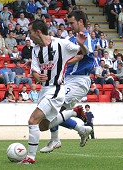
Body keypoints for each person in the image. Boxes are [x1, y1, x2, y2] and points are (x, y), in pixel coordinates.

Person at [18, 19, 89, 164]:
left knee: (32, 120)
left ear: (38, 32)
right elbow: (35, 71)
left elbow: (83, 53)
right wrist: (38, 76)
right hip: (44, 90)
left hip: (56, 89)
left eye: (30, 32)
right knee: (42, 126)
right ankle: (74, 112)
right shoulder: (36, 50)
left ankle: (30, 158)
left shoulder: (60, 43)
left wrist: (81, 43)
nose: (29, 36)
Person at [40, 10, 94, 154]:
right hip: (67, 79)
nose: (69, 26)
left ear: (80, 22)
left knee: (53, 108)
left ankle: (56, 138)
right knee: (53, 112)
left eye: (72, 23)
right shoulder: (71, 39)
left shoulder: (85, 37)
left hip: (79, 80)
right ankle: (81, 130)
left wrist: (60, 61)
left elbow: (82, 55)